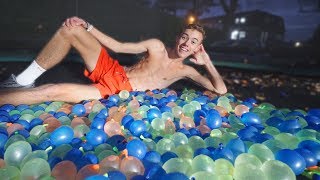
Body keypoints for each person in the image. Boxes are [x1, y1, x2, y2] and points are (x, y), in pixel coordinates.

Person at [0, 16, 227, 105]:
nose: (187, 43)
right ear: (178, 37)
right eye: (185, 37)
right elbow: (118, 46)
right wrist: (88, 26)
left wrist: (207, 62)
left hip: (117, 90)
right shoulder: (157, 46)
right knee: (71, 29)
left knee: (51, 90)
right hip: (113, 69)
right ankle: (22, 79)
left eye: (194, 42)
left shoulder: (185, 71)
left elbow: (221, 90)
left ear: (198, 47)